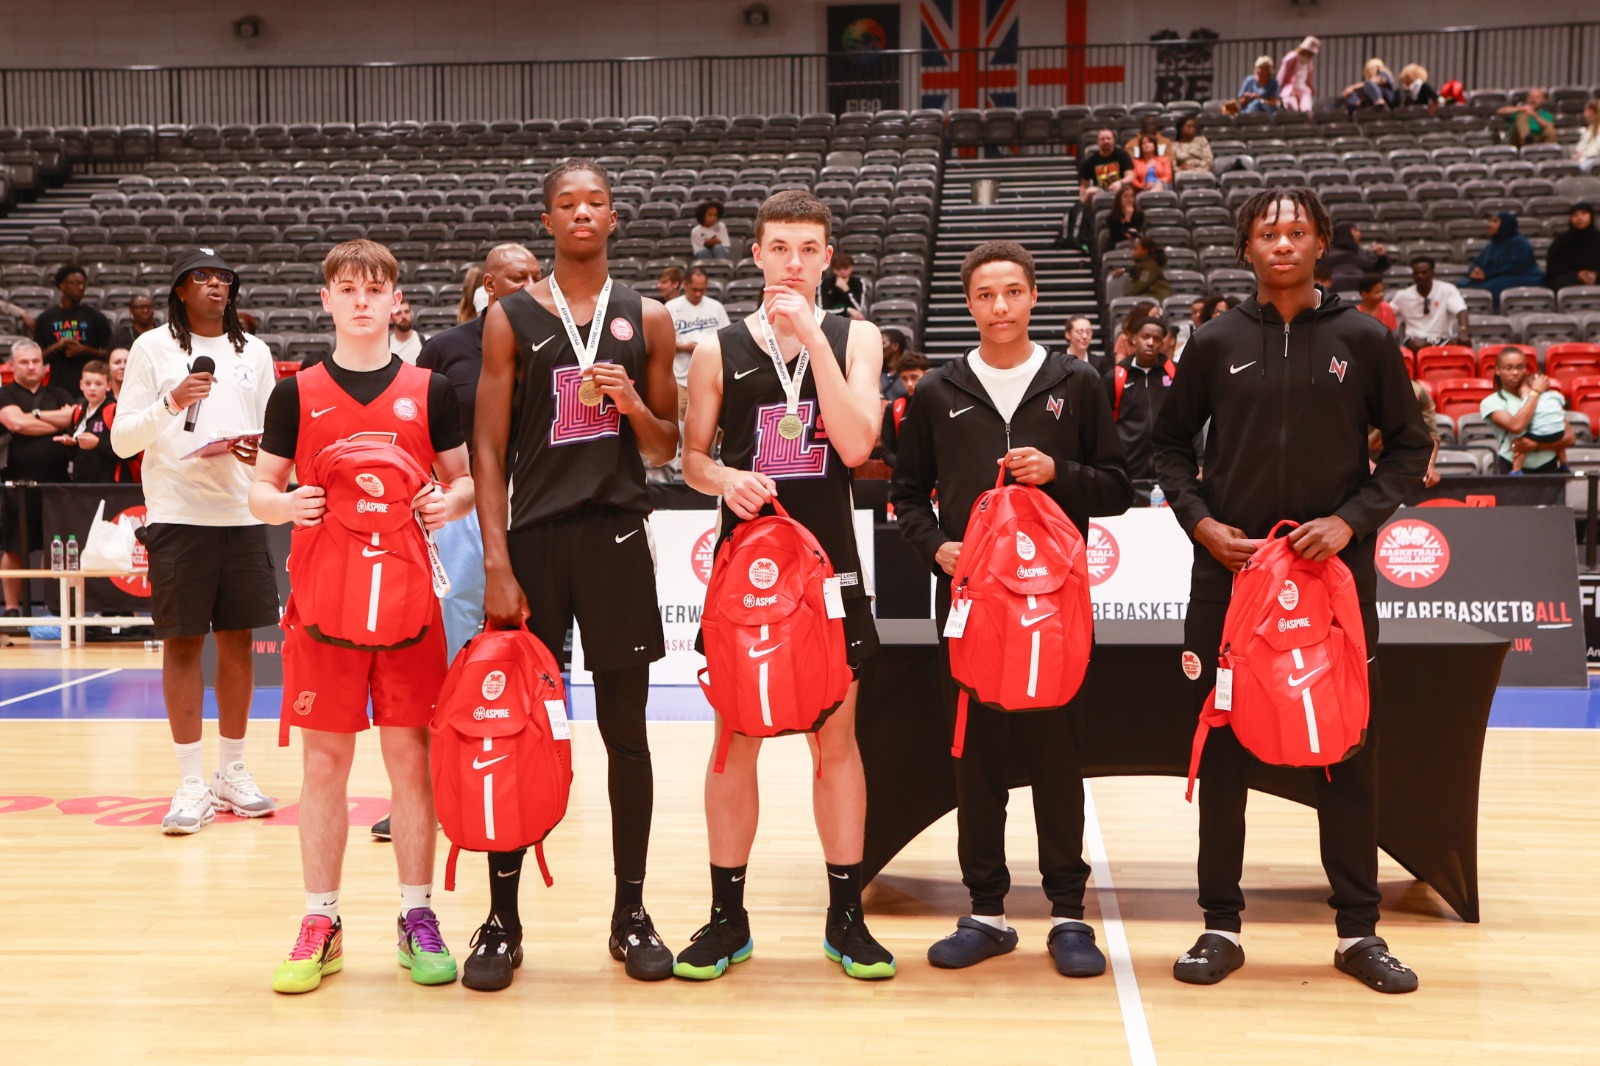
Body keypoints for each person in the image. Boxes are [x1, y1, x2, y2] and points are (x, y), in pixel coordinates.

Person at [1153, 187, 1430, 995]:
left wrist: (1350, 521)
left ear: (1320, 245)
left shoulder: (1366, 339)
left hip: (1330, 579)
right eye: (1268, 232)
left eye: (1297, 231)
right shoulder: (1212, 342)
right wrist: (1203, 524)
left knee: (1343, 751)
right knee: (1223, 748)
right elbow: (1167, 448)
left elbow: (1409, 448)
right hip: (1230, 577)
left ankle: (1357, 932)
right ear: (1246, 247)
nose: (1282, 243)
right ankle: (1220, 925)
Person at [889, 239, 1133, 978]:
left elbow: (1119, 487)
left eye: (1013, 292)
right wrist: (937, 549)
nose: (1000, 306)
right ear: (968, 303)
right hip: (972, 609)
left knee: (1058, 759)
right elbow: (906, 496)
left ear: (1033, 297)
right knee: (978, 762)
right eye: (985, 295)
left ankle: (1068, 916)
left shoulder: (1076, 381)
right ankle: (987, 914)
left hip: (1053, 608)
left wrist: (1061, 472)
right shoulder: (938, 391)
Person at [472, 159, 681, 990]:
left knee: (626, 733)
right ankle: (501, 920)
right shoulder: (509, 317)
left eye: (596, 201)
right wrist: (495, 561)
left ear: (614, 217)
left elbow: (664, 448)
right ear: (548, 221)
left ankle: (631, 914)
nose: (583, 212)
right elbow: (488, 449)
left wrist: (632, 405)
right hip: (534, 544)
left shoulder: (649, 316)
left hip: (618, 537)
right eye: (568, 203)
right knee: (511, 730)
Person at [676, 189, 893, 982]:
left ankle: (846, 918)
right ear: (757, 255)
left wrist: (815, 341)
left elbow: (858, 442)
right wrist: (723, 477)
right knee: (734, 740)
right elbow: (689, 458)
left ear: (827, 258)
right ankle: (726, 918)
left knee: (835, 742)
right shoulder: (717, 348)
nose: (793, 263)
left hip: (832, 573)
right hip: (746, 575)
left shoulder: (857, 337)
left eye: (808, 249)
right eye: (779, 248)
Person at [251, 239, 474, 995]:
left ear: (395, 301)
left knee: (411, 760)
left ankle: (417, 914)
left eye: (374, 289)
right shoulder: (296, 394)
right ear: (326, 300)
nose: (361, 301)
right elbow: (260, 490)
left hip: (410, 607)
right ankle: (321, 921)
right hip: (325, 608)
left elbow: (463, 481)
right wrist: (284, 505)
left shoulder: (429, 389)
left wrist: (450, 502)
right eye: (347, 289)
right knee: (324, 765)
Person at [110, 248, 279, 835]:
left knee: (238, 643)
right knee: (182, 644)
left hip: (241, 513)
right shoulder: (151, 348)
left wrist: (257, 452)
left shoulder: (255, 352)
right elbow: (122, 441)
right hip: (178, 516)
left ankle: (232, 772)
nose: (215, 285)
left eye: (224, 277)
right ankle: (189, 781)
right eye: (201, 277)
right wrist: (173, 401)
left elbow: (272, 435)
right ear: (180, 290)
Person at [0, 340, 75, 613]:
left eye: (36, 361)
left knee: (53, 547)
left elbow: (70, 419)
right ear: (12, 365)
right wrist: (53, 423)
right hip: (15, 484)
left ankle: (51, 608)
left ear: (44, 365)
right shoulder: (5, 394)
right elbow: (16, 422)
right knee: (13, 547)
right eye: (25, 362)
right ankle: (11, 608)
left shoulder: (59, 393)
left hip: (56, 483)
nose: (31, 366)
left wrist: (35, 416)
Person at [1481, 348, 1572, 474]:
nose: (1515, 372)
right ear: (1497, 370)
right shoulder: (1491, 402)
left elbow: (1569, 438)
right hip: (1511, 466)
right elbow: (1516, 426)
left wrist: (1537, 446)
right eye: (1508, 368)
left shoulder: (1545, 397)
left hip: (1548, 466)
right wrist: (1535, 393)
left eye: (1520, 367)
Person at [1106, 315, 1174, 481]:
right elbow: (1103, 425)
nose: (1151, 343)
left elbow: (1189, 419)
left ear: (1162, 343)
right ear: (1134, 339)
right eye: (1145, 337)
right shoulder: (1115, 377)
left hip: (1169, 462)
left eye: (1157, 339)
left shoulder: (1175, 374)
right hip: (1128, 463)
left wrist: (1199, 459)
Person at [34, 264, 112, 400]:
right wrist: (57, 347)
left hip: (90, 388)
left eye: (83, 283)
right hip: (57, 388)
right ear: (62, 286)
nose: (80, 287)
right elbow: (38, 359)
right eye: (74, 283)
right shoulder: (45, 319)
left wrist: (83, 350)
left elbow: (109, 355)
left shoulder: (96, 317)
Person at [666, 265, 731, 424]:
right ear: (685, 285)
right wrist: (683, 346)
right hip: (681, 377)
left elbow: (728, 338)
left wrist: (708, 348)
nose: (698, 294)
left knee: (711, 422)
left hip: (711, 378)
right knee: (682, 424)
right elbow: (663, 343)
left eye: (702, 290)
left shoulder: (716, 307)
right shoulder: (671, 307)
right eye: (694, 289)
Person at [56, 360, 135, 483]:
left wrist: (98, 443)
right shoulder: (78, 411)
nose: (92, 388)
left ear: (108, 386)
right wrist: (70, 445)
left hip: (108, 485)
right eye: (88, 383)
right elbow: (73, 455)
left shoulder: (115, 411)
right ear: (81, 385)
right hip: (80, 483)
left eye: (98, 384)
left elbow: (131, 454)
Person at [1462, 212, 1543, 311]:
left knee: (1488, 288)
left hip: (1520, 277)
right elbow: (1477, 263)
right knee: (1461, 285)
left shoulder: (1519, 243)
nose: (1490, 225)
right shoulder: (1493, 245)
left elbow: (1515, 268)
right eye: (1491, 221)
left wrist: (1486, 274)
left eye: (1495, 221)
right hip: (1494, 277)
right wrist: (1473, 272)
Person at [1070, 129, 1133, 250]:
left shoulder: (1122, 155)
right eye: (1103, 139)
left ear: (1113, 140)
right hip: (1101, 191)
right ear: (1098, 142)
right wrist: (1083, 200)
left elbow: (1130, 176)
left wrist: (1120, 182)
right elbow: (1084, 185)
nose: (1106, 141)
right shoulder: (1091, 160)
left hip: (1120, 190)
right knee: (1091, 192)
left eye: (1108, 138)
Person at [1390, 257, 1470, 349]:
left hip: (1442, 339)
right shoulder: (1402, 296)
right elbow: (1387, 312)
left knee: (1464, 343)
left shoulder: (1447, 290)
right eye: (1416, 273)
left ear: (1432, 273)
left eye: (1424, 273)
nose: (1420, 276)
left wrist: (1463, 330)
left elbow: (1461, 310)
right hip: (1414, 340)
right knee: (1418, 344)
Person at [879, 349, 929, 468]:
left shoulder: (939, 405)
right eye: (904, 378)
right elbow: (886, 451)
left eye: (914, 377)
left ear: (926, 374)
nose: (909, 383)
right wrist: (905, 469)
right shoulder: (893, 408)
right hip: (904, 474)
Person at [1545, 202, 1600, 292]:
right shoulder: (1561, 241)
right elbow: (1553, 268)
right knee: (1559, 282)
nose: (1579, 218)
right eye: (1575, 215)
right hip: (1571, 278)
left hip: (1597, 278)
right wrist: (1577, 274)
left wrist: (1596, 274)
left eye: (1584, 213)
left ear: (1591, 216)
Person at [1324, 221, 1390, 294]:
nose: (1359, 233)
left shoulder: (1362, 253)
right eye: (1355, 231)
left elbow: (1376, 267)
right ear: (1345, 234)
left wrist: (1381, 257)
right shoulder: (1328, 254)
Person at [1116, 237, 1173, 302]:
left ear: (1144, 251)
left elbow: (1143, 283)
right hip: (1151, 294)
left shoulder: (1150, 265)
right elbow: (1136, 269)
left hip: (1157, 295)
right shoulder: (1145, 263)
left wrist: (1126, 296)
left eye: (1135, 249)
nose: (1133, 252)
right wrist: (1124, 270)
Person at [819, 250, 867, 319]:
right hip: (832, 320)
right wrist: (847, 310)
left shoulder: (859, 282)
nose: (842, 271)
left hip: (852, 320)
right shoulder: (824, 284)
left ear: (851, 268)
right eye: (838, 268)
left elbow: (858, 309)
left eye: (845, 268)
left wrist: (846, 290)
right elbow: (824, 310)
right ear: (833, 269)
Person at [1278, 37, 1320, 113]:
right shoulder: (1292, 58)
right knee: (1293, 107)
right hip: (1290, 90)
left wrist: (1311, 88)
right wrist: (1278, 87)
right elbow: (1282, 74)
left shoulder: (1309, 63)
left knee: (1307, 108)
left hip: (1302, 88)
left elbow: (1308, 78)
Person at [389, 293, 425, 364]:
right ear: (391, 318)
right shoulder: (386, 346)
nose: (404, 316)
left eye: (407, 312)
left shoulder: (425, 341)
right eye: (398, 313)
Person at [1105, 184, 1143, 248]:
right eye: (1125, 196)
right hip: (1116, 247)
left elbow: (1134, 234)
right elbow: (1118, 237)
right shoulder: (1111, 217)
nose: (1129, 199)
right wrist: (1127, 219)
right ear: (1119, 199)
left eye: (1132, 196)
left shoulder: (1139, 215)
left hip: (1134, 246)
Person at [880, 325, 911, 401]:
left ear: (895, 346)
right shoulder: (875, 372)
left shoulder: (910, 372)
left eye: (882, 343)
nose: (877, 347)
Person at [1576, 99, 1600, 174]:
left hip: (1595, 160)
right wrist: (1579, 154)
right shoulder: (1589, 130)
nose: (1585, 115)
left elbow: (1596, 150)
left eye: (1587, 111)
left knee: (1583, 167)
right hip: (1585, 159)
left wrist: (1584, 155)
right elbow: (1580, 147)